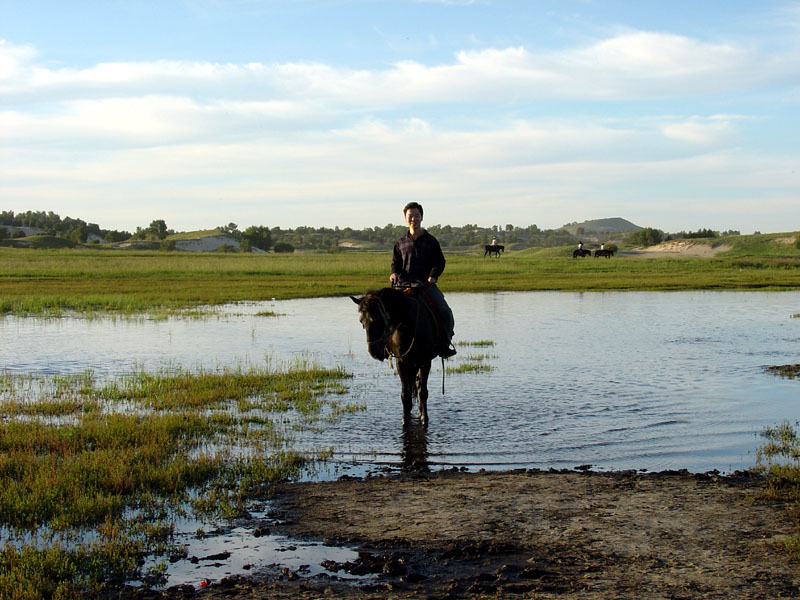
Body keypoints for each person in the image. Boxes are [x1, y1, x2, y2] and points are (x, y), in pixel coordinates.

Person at [390, 202, 456, 358]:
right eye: (410, 216)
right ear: (405, 218)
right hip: (403, 286)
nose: (413, 219)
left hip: (425, 286)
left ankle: (443, 344)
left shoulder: (431, 241)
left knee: (445, 311)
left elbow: (440, 261)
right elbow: (396, 263)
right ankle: (386, 347)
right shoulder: (400, 242)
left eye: (416, 216)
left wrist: (433, 275)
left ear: (422, 217)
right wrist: (393, 273)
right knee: (385, 312)